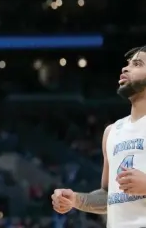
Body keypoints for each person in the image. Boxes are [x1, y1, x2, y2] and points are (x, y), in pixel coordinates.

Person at [52, 45, 146, 227]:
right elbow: (108, 195)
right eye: (127, 64)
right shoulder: (112, 132)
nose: (125, 68)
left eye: (137, 64)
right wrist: (76, 200)